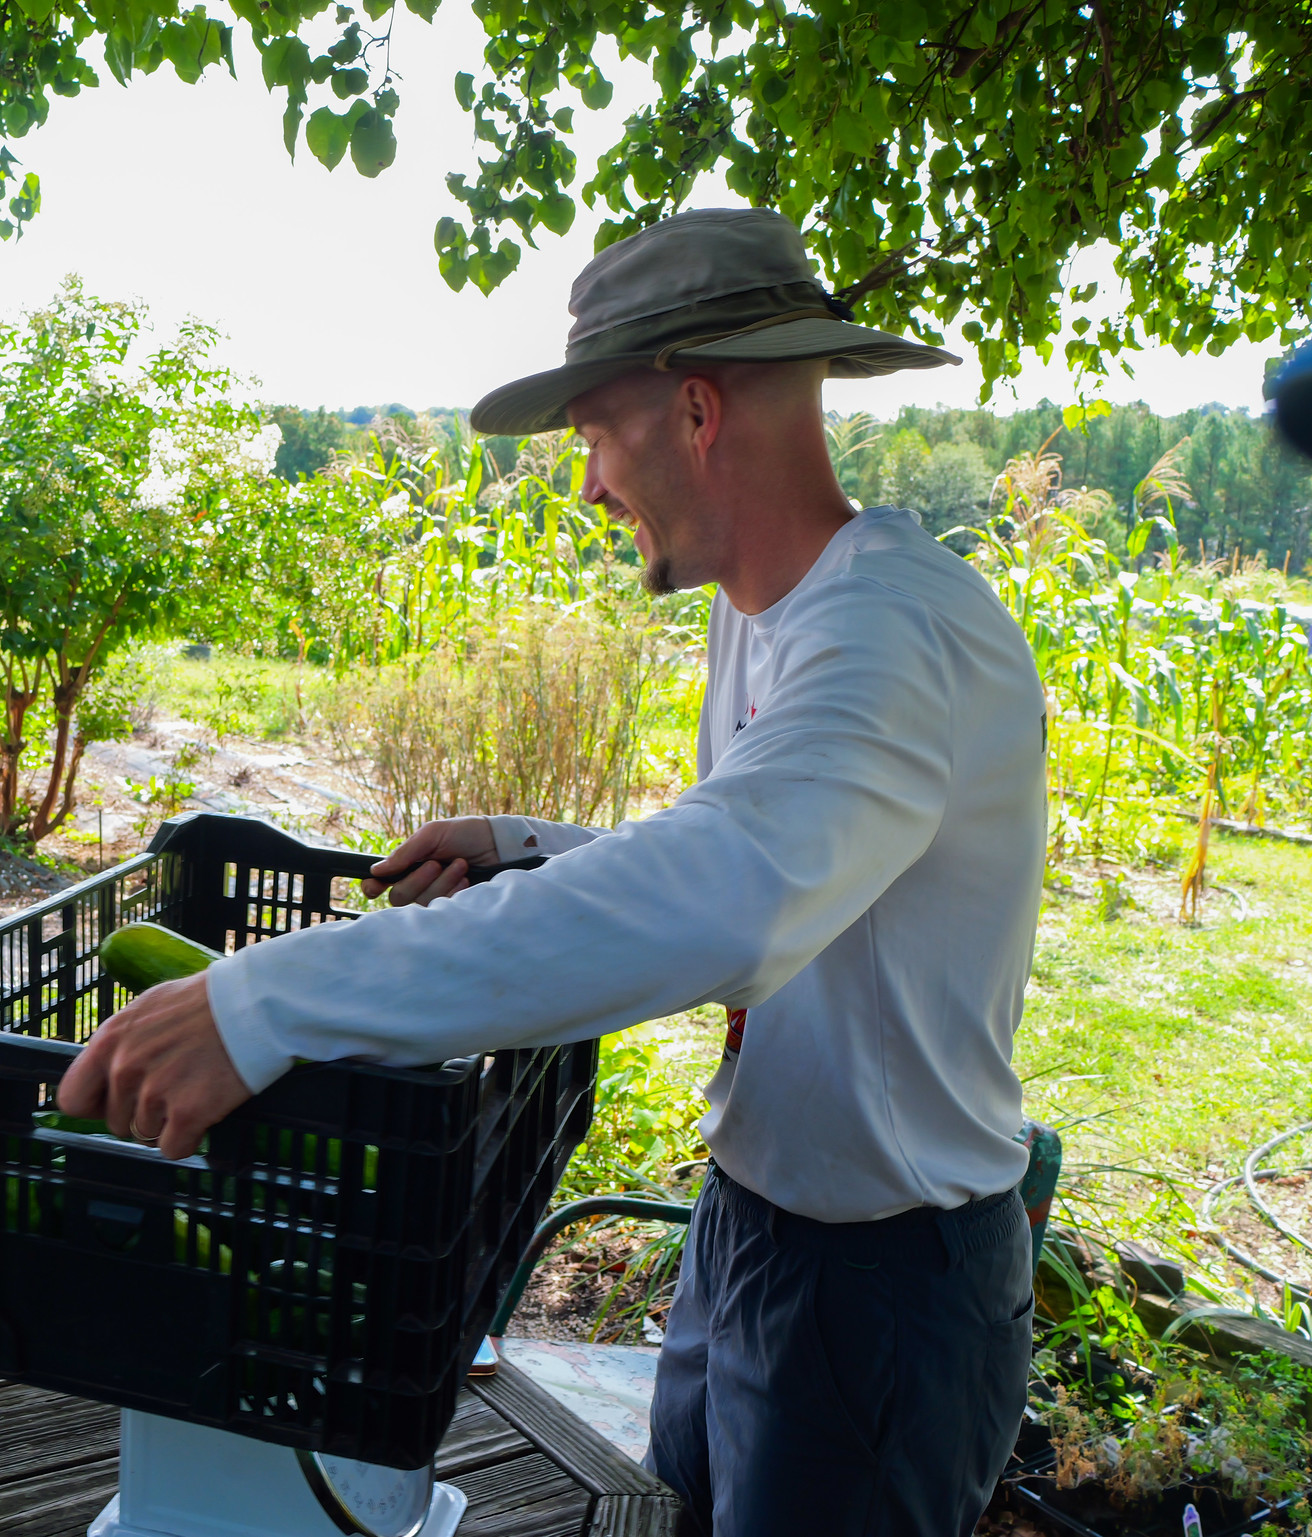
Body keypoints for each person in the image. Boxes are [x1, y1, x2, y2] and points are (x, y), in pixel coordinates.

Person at [56, 209, 1048, 1535]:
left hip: (878, 1280)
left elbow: (732, 894)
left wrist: (262, 1001)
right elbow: (781, 869)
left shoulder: (891, 634)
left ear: (693, 411)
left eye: (591, 430)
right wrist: (524, 846)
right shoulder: (774, 614)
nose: (584, 481)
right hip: (753, 1219)